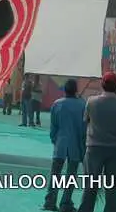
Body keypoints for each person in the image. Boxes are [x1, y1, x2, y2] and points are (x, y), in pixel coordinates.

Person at [77, 71, 116, 212]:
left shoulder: (92, 101)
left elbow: (86, 120)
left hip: (95, 147)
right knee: (112, 189)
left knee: (90, 186)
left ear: (102, 84)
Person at [44, 79, 86, 212]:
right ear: (76, 90)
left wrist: (54, 139)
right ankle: (65, 202)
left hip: (60, 144)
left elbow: (54, 126)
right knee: (71, 175)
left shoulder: (57, 104)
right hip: (76, 145)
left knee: (55, 174)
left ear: (65, 90)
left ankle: (50, 201)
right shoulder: (82, 105)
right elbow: (84, 128)